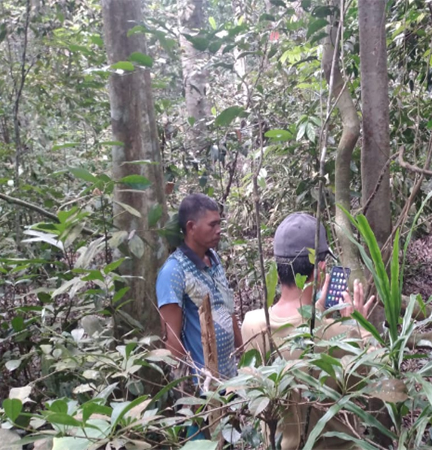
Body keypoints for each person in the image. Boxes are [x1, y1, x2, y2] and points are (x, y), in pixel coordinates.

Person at [241, 212, 375, 450]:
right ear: (321, 269)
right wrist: (359, 328)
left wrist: (318, 311)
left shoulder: (252, 324)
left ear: (278, 269)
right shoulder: (341, 335)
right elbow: (375, 381)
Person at [157, 193, 242, 380]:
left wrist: (242, 352)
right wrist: (185, 390)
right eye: (212, 225)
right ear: (191, 227)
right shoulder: (174, 271)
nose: (219, 230)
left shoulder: (214, 258)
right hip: (202, 385)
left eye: (219, 223)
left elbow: (228, 308)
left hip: (230, 377)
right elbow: (172, 340)